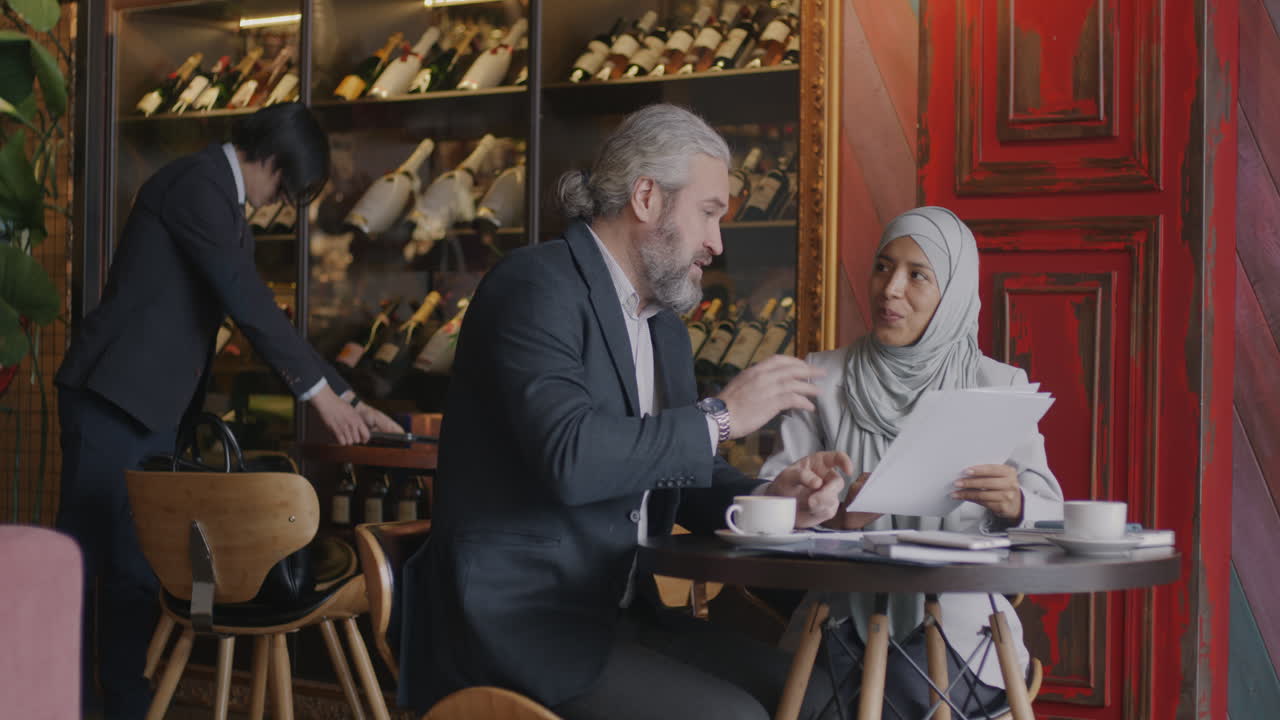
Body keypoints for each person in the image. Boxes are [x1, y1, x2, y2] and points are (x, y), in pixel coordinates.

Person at [397, 104, 853, 720]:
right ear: (646, 197)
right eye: (709, 213)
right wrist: (722, 417)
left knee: (819, 695)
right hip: (522, 626)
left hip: (622, 614)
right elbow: (573, 456)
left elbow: (672, 468)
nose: (718, 242)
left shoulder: (660, 324)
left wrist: (777, 498)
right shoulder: (534, 286)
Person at [54, 102, 401, 719]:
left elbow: (258, 307)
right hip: (109, 398)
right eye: (286, 188)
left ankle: (125, 706)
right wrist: (318, 396)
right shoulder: (197, 185)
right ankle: (64, 704)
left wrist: (347, 397)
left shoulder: (218, 198)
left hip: (151, 408)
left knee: (136, 568)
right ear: (271, 159)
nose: (277, 202)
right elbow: (249, 303)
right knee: (81, 566)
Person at [759, 206, 1065, 717]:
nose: (890, 289)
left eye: (916, 275)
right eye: (883, 266)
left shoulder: (998, 386)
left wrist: (1014, 504)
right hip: (834, 625)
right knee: (832, 703)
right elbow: (769, 509)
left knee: (904, 694)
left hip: (964, 634)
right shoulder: (821, 378)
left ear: (954, 294)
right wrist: (826, 514)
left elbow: (1052, 519)